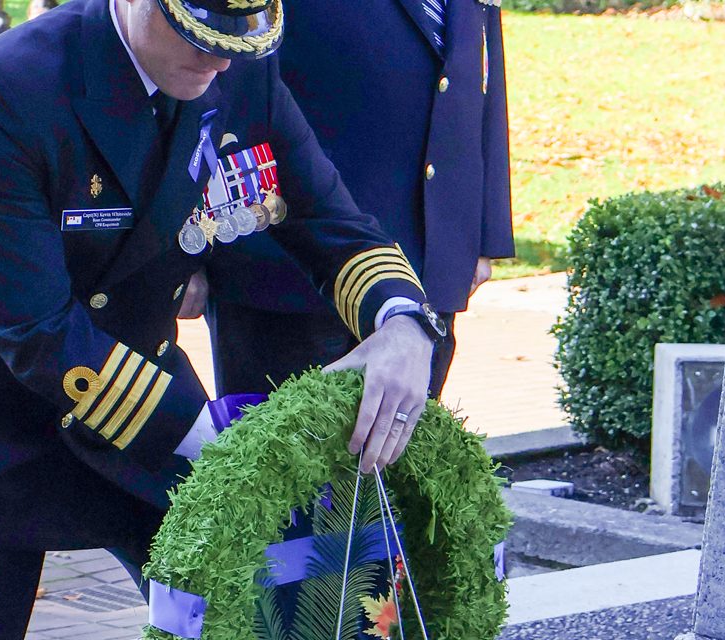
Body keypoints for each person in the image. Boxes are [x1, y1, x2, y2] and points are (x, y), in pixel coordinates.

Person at [0, 0, 447, 636]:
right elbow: (35, 332)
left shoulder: (239, 70)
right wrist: (231, 451)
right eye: (194, 32)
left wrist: (404, 323)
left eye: (237, 37)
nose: (217, 56)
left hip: (137, 391)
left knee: (252, 613)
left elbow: (329, 221)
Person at [203, 0, 515, 399]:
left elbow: (481, 72)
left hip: (428, 258)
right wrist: (201, 236)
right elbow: (223, 67)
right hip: (289, 266)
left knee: (405, 451)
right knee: (280, 452)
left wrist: (480, 233)